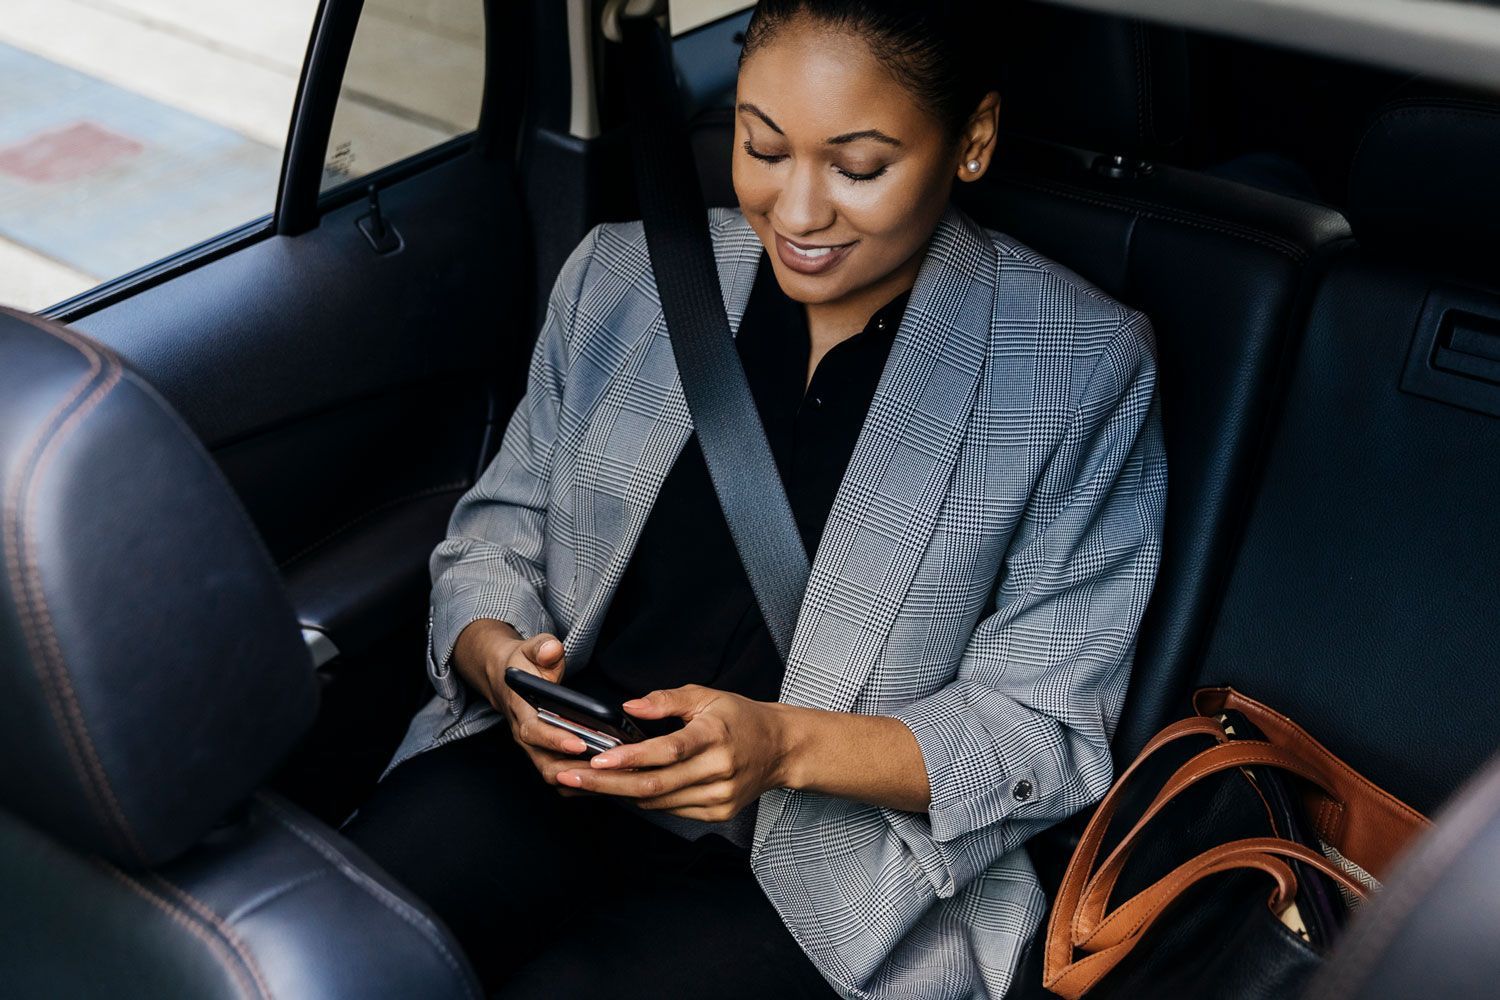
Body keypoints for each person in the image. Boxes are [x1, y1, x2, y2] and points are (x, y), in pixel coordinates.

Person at [342, 2, 1168, 997]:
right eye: (762, 146)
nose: (799, 210)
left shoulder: (1076, 367)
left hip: (823, 864)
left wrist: (781, 746)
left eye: (857, 166)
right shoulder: (623, 278)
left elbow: (1042, 727)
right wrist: (502, 658)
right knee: (339, 942)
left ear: (973, 139)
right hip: (557, 771)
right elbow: (496, 538)